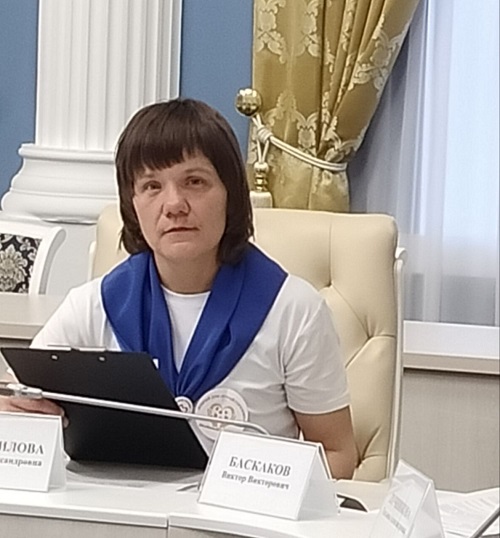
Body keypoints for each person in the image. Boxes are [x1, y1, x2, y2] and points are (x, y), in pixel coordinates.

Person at [0, 98, 358, 478]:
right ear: (132, 204)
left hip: (236, 513)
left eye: (194, 182)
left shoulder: (292, 310)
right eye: (151, 186)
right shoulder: (94, 305)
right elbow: (16, 406)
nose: (173, 205)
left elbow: (337, 454)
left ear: (231, 194)